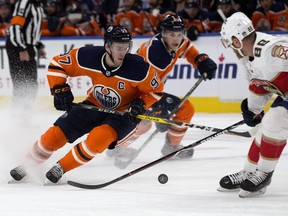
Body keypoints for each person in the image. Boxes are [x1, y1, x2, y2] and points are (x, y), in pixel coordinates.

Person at [9, 25, 164, 184]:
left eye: (126, 47)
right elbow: (57, 64)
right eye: (118, 48)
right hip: (94, 105)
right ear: (107, 46)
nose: (123, 52)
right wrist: (59, 89)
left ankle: (61, 168)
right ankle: (26, 165)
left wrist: (140, 104)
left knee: (98, 139)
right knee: (55, 135)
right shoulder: (89, 56)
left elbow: (156, 90)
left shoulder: (139, 68)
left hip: (123, 115)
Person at [107, 14, 217, 161]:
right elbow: (142, 86)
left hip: (148, 91)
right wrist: (157, 110)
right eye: (172, 34)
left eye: (179, 34)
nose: (176, 39)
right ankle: (119, 146)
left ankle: (120, 146)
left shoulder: (174, 42)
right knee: (152, 120)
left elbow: (187, 48)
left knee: (148, 122)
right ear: (163, 33)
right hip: (134, 93)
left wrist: (200, 60)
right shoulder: (156, 56)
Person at [217, 12, 288, 198]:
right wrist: (252, 110)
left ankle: (264, 173)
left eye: (230, 42)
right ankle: (249, 171)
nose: (230, 47)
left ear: (237, 39)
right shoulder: (248, 58)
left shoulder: (272, 48)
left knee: (275, 121)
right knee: (265, 127)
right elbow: (261, 86)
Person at [6, 0, 46, 122]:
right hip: (17, 47)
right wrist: (21, 49)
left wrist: (38, 45)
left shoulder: (38, 4)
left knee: (31, 85)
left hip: (26, 46)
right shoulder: (24, 3)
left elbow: (33, 28)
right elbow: (14, 28)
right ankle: (17, 118)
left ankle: (24, 117)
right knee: (21, 83)